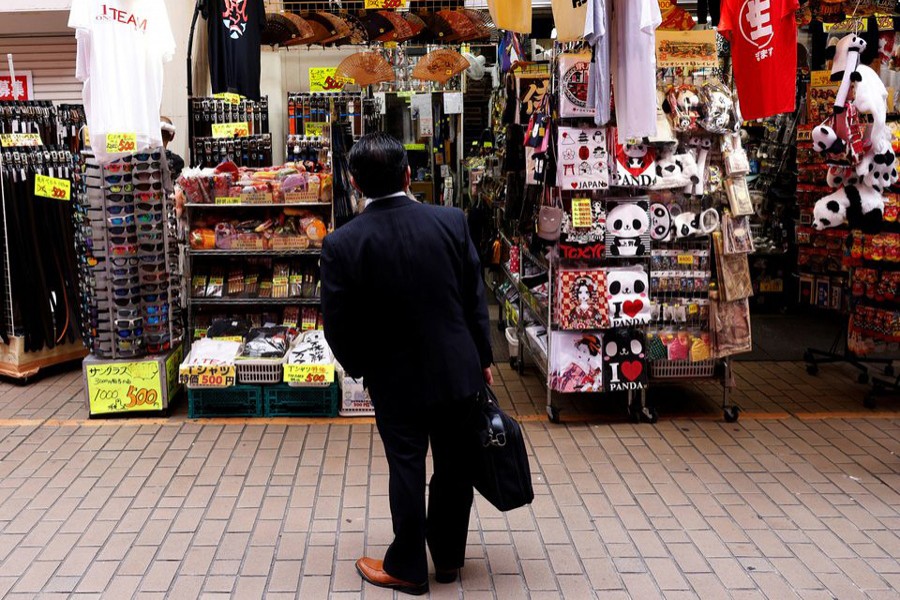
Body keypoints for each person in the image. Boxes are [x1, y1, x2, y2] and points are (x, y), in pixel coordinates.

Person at [320, 132, 494, 596]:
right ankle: (449, 560)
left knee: (406, 467)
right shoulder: (451, 222)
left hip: (393, 379)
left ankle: (408, 566)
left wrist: (361, 368)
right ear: (408, 175)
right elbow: (475, 297)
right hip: (457, 370)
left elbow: (337, 323)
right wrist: (484, 357)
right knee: (455, 467)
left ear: (354, 183)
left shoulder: (342, 243)